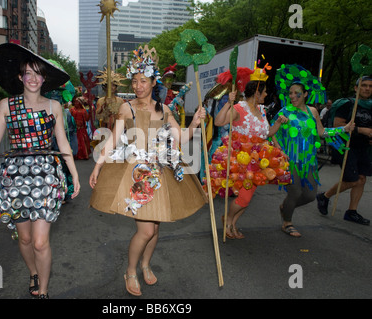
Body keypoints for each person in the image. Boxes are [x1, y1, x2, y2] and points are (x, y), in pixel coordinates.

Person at [0, 43, 80, 298]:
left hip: (46, 178)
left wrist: (74, 174)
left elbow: (62, 145)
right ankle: (33, 273)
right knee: (25, 240)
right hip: (15, 179)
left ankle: (44, 290)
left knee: (40, 241)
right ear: (20, 77)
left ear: (44, 78)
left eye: (38, 73)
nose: (33, 78)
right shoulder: (7, 105)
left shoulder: (54, 107)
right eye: (28, 73)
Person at [89, 47, 207, 297]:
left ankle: (145, 264)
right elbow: (112, 140)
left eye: (143, 80)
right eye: (134, 80)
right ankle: (130, 270)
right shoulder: (126, 108)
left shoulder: (164, 110)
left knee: (156, 225)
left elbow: (182, 139)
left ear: (154, 82)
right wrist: (99, 165)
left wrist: (195, 122)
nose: (138, 85)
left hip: (160, 172)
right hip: (135, 175)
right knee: (146, 230)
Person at [272, 82, 355, 237]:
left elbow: (321, 132)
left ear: (305, 94)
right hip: (291, 161)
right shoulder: (285, 112)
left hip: (309, 161)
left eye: (296, 93)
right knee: (295, 192)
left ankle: (286, 207)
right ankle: (287, 222)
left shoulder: (313, 112)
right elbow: (272, 132)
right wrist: (280, 149)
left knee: (310, 195)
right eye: (290, 93)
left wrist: (343, 129)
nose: (292, 96)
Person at [212, 73, 289, 239]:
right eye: (264, 92)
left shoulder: (261, 110)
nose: (266, 95)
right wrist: (228, 104)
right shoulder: (239, 108)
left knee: (247, 197)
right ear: (256, 93)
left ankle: (232, 223)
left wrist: (278, 123)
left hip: (257, 161)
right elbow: (218, 122)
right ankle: (227, 221)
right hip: (239, 161)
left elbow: (267, 133)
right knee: (244, 198)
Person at [316, 76, 372, 225]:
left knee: (362, 179)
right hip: (345, 147)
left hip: (363, 147)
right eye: (364, 85)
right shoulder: (347, 104)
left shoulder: (370, 106)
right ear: (356, 88)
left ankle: (352, 212)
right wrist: (362, 130)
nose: (367, 88)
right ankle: (325, 196)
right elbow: (337, 125)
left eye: (370, 86)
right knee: (353, 180)